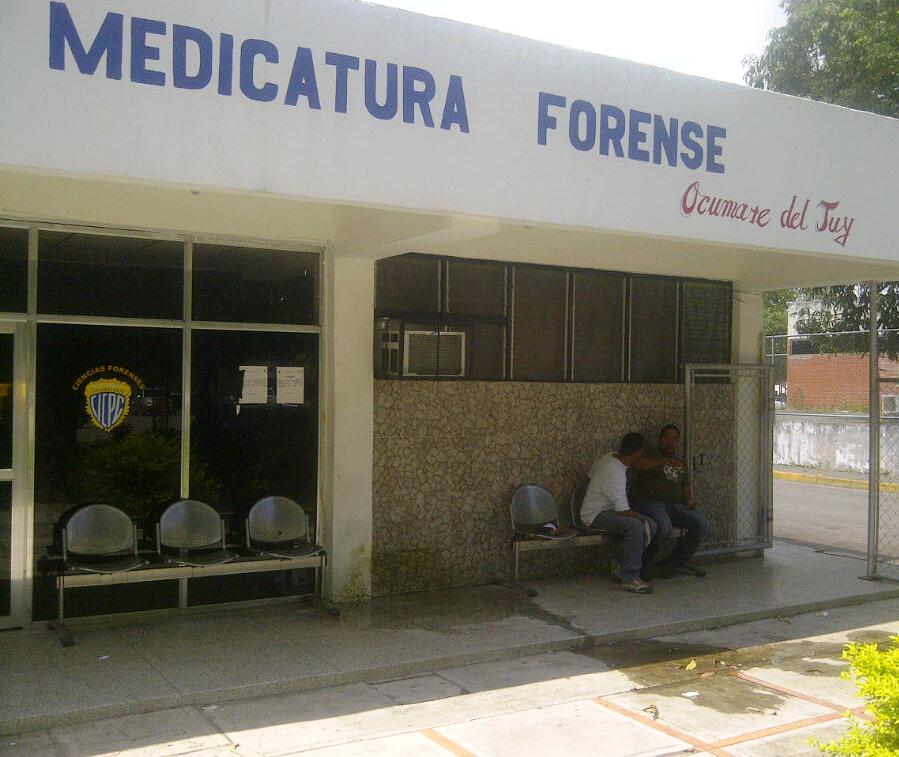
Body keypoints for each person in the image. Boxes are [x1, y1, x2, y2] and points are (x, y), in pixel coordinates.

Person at [580, 432, 665, 594]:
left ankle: (619, 564)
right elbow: (624, 511)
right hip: (594, 514)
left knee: (651, 525)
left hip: (608, 510)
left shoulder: (610, 457)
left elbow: (590, 474)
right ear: (638, 453)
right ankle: (630, 578)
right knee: (637, 526)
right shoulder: (615, 472)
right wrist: (643, 520)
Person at [632, 424, 710, 578]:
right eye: (667, 437)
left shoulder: (680, 462)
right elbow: (637, 465)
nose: (670, 441)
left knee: (702, 525)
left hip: (675, 505)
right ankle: (644, 564)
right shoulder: (649, 454)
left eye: (674, 439)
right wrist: (662, 462)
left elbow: (685, 487)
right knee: (664, 527)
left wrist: (689, 500)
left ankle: (673, 563)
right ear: (660, 439)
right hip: (651, 503)